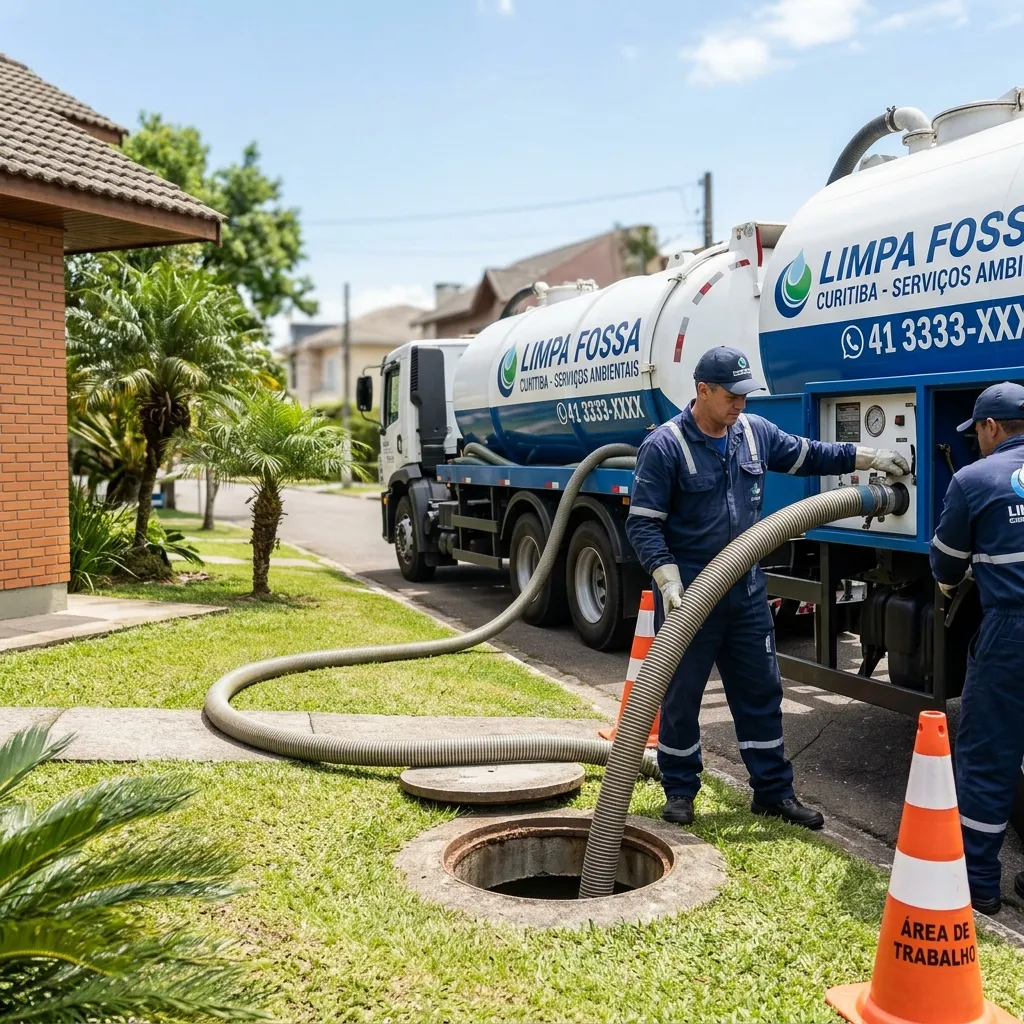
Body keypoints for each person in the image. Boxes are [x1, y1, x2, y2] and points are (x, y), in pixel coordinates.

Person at [625, 346, 909, 829]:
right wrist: (668, 580)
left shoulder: (753, 433)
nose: (741, 404)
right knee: (681, 697)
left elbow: (809, 454)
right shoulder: (666, 446)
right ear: (703, 391)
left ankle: (773, 792)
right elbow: (643, 525)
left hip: (746, 591)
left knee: (761, 692)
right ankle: (680, 791)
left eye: (745, 395)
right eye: (732, 396)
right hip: (690, 596)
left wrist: (869, 455)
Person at [929, 380, 1024, 916]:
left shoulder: (974, 478)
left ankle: (980, 884)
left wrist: (949, 587)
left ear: (991, 427)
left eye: (978, 433)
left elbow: (945, 562)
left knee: (989, 756)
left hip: (1011, 631)